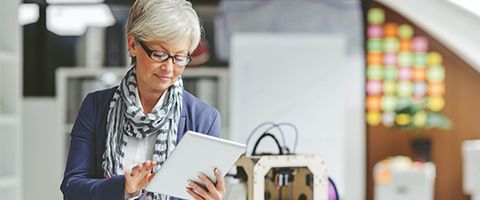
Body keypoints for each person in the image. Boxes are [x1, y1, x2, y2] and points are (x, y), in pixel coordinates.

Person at [60, 0, 225, 199]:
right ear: (132, 45)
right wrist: (124, 188)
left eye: (180, 57)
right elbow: (72, 189)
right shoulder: (96, 106)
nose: (169, 68)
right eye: (159, 54)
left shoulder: (204, 119)